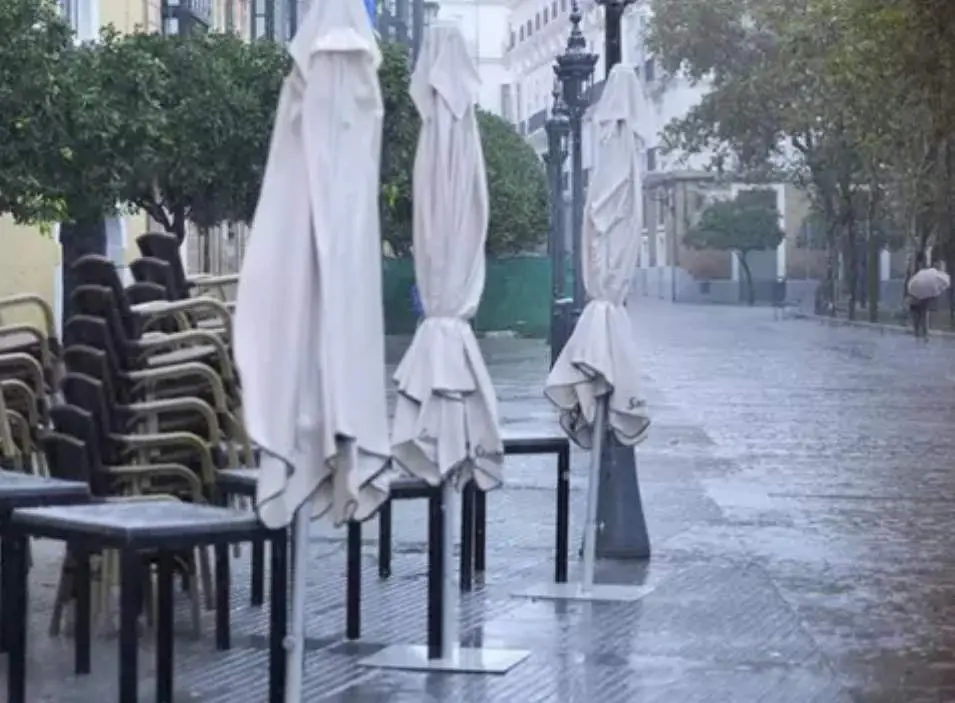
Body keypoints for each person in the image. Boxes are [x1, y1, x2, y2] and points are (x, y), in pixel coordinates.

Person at [908, 253, 930, 340]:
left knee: (923, 317)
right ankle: (918, 334)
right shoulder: (913, 272)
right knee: (917, 319)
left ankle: (924, 335)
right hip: (916, 298)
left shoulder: (925, 272)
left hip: (922, 298)